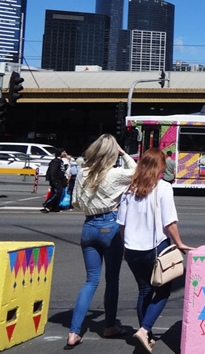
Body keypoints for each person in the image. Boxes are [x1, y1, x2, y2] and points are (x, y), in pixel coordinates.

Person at [117, 148, 194, 353]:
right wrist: (179, 243)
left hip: (132, 249)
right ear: (159, 167)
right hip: (155, 248)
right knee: (163, 290)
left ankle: (146, 335)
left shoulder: (129, 189)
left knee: (144, 290)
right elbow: (170, 222)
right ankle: (145, 330)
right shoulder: (163, 188)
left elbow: (121, 225)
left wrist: (125, 248)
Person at [65, 134, 137, 349]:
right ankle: (109, 326)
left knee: (91, 280)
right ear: (112, 153)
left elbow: (76, 202)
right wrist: (124, 154)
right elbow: (136, 171)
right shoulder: (115, 174)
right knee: (111, 280)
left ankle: (73, 332)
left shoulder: (83, 173)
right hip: (110, 225)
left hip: (89, 227)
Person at [42, 148, 67, 213]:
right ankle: (47, 204)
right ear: (60, 153)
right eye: (63, 152)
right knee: (58, 192)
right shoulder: (55, 161)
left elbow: (62, 171)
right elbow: (52, 172)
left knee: (58, 193)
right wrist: (53, 180)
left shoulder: (61, 161)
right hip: (56, 180)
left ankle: (55, 207)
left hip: (60, 180)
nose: (65, 153)